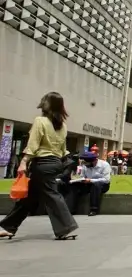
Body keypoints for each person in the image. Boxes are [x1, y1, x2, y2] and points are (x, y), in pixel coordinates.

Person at [0, 92, 78, 240]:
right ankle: (10, 227)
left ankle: (67, 228)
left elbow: (33, 144)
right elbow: (63, 150)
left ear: (47, 104)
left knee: (52, 195)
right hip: (55, 163)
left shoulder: (40, 121)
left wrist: (23, 162)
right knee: (29, 197)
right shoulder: (63, 126)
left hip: (42, 163)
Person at [65, 151, 112, 216]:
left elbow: (106, 180)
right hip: (87, 183)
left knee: (95, 185)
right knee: (73, 186)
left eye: (88, 163)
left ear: (94, 161)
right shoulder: (85, 165)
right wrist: (79, 180)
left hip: (101, 184)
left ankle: (94, 209)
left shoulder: (104, 165)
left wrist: (91, 180)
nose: (86, 165)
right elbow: (82, 176)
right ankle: (70, 209)